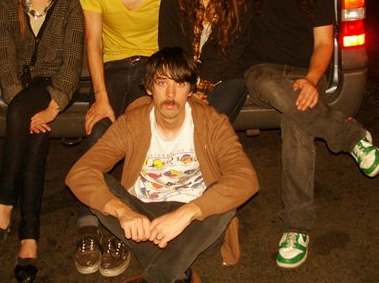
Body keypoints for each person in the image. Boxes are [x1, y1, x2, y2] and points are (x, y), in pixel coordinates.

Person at [242, 0, 379, 269]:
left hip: (306, 71)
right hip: (262, 72)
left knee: (297, 124)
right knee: (272, 86)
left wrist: (309, 78)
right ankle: (350, 137)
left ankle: (296, 227)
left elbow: (323, 44)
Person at [65, 47, 259, 283]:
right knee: (101, 186)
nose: (170, 93)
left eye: (179, 83)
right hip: (144, 220)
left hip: (196, 226)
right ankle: (177, 270)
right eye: (162, 83)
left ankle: (158, 275)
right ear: (149, 88)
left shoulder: (212, 123)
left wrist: (186, 214)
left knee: (223, 195)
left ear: (191, 89)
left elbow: (246, 179)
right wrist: (123, 212)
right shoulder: (132, 124)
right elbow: (80, 173)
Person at [0, 0, 85, 283]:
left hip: (53, 82)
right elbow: (6, 53)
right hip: (22, 86)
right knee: (32, 135)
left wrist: (55, 105)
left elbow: (73, 54)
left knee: (25, 116)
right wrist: (16, 98)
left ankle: (3, 206)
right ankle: (29, 236)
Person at [74, 0, 176, 277]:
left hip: (151, 68)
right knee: (98, 132)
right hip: (113, 69)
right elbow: (94, 42)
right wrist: (100, 97)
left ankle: (125, 230)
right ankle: (88, 226)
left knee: (140, 135)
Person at [158, 0, 251, 123]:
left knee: (208, 122)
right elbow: (170, 48)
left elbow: (234, 51)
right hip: (182, 75)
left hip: (226, 75)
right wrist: (188, 85)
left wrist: (200, 87)